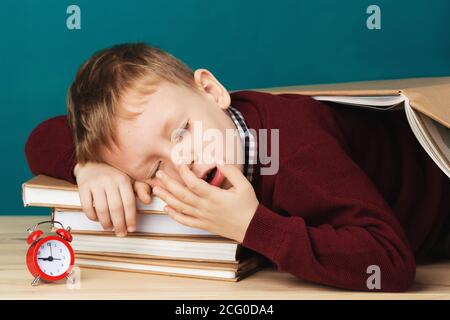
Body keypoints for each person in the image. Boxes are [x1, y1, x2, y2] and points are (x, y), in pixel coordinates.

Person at [25, 43, 450, 291]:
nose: (182, 161)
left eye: (180, 132)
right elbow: (42, 136)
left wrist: (253, 225)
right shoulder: (211, 131)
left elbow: (390, 262)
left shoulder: (291, 151)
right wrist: (88, 166)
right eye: (152, 169)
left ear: (211, 91)